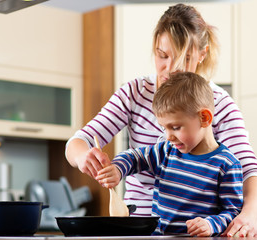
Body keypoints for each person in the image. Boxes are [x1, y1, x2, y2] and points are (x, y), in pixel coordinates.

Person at [65, 3, 257, 237]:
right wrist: (84, 158)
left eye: (184, 59)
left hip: (196, 231)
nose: (170, 69)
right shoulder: (135, 92)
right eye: (162, 55)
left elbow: (249, 169)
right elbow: (79, 142)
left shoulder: (220, 104)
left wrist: (249, 215)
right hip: (141, 227)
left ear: (202, 54)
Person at [96, 72, 243, 236]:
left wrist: (211, 224)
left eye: (175, 127)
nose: (168, 136)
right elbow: (134, 156)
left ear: (204, 118)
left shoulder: (227, 165)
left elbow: (232, 212)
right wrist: (117, 169)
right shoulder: (165, 150)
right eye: (164, 128)